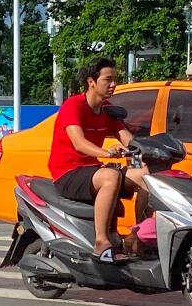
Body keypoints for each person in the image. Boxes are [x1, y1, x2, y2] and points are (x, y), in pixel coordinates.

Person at [48, 57, 149, 265]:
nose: (113, 84)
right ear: (91, 82)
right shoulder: (73, 105)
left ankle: (139, 237)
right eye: (108, 79)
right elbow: (79, 143)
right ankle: (101, 242)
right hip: (68, 173)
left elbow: (127, 137)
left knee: (145, 176)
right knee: (111, 176)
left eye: (115, 80)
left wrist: (150, 148)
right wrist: (107, 152)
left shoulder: (107, 109)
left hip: (92, 171)